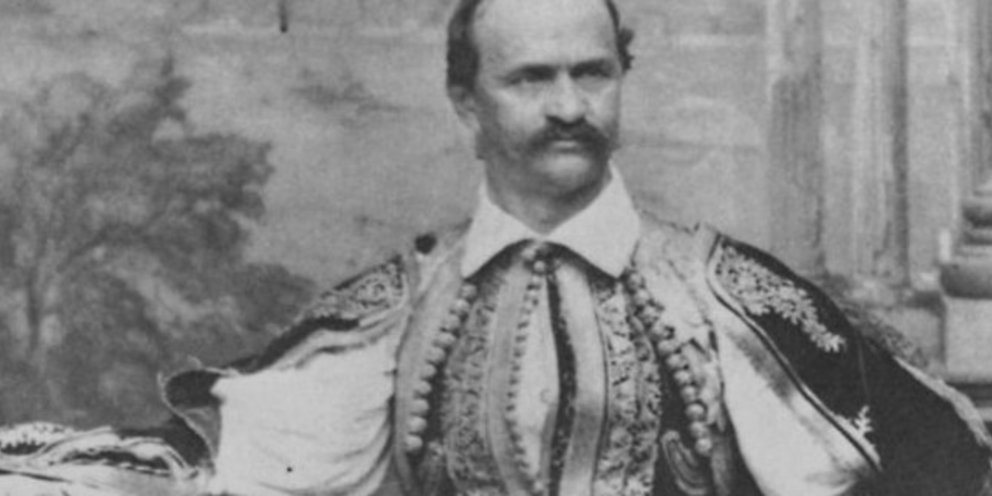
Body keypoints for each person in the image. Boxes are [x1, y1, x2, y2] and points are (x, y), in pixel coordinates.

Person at [1, 0, 991, 494]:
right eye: (531, 79)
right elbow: (229, 460)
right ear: (465, 104)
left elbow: (938, 457)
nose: (569, 106)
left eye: (592, 74)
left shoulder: (728, 292)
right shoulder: (392, 312)